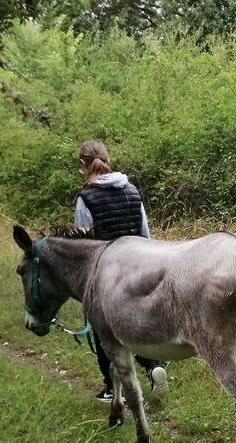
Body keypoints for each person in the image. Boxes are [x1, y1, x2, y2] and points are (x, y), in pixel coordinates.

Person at [72, 140, 168, 402]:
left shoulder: (86, 198)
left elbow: (85, 247)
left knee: (105, 331)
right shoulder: (132, 191)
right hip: (138, 268)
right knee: (135, 326)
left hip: (107, 274)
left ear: (83, 165)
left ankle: (111, 388)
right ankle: (153, 367)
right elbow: (145, 235)